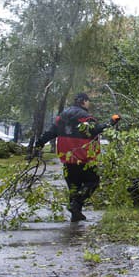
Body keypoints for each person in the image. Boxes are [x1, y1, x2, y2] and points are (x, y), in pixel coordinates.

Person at [34, 92, 120, 222]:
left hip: (68, 159)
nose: (88, 103)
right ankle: (76, 205)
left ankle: (76, 215)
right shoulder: (86, 118)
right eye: (88, 101)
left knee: (74, 187)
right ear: (84, 101)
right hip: (85, 158)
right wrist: (112, 121)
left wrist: (39, 143)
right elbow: (97, 129)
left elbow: (50, 133)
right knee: (93, 182)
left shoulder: (61, 117)